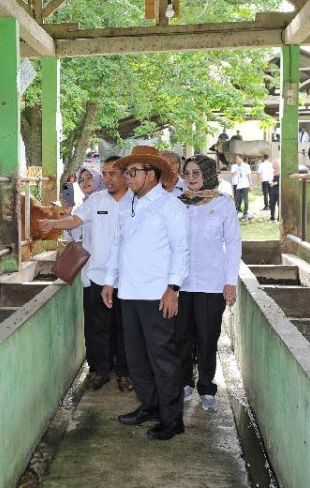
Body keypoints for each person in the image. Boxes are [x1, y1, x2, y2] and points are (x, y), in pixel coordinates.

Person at [101, 145, 189, 441]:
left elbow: (181, 250)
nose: (127, 177)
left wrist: (173, 288)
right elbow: (117, 245)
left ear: (151, 174)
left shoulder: (171, 206)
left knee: (162, 357)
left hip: (157, 293)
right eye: (126, 172)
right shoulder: (127, 205)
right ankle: (150, 405)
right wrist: (109, 281)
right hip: (129, 292)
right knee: (136, 357)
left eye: (132, 171)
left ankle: (172, 418)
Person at [39, 157, 132, 392]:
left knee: (126, 328)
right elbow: (75, 220)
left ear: (125, 175)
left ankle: (125, 372)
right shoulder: (96, 201)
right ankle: (100, 370)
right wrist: (54, 224)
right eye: (106, 173)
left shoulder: (135, 201)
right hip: (98, 275)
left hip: (129, 277)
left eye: (113, 173)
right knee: (97, 326)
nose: (109, 178)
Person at [176, 155, 241, 412]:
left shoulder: (223, 204)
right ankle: (184, 382)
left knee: (206, 337)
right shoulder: (177, 202)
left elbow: (233, 244)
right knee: (181, 336)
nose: (191, 179)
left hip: (211, 284)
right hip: (180, 283)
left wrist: (230, 282)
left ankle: (206, 387)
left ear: (208, 174)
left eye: (196, 173)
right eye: (187, 174)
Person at [233, 155, 251, 219]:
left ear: (241, 159)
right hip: (239, 185)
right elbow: (233, 174)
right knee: (237, 199)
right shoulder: (236, 166)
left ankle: (245, 212)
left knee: (245, 199)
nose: (236, 160)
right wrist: (236, 169)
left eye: (237, 159)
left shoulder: (246, 166)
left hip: (245, 185)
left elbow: (249, 176)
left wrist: (250, 185)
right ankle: (235, 211)